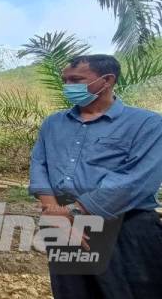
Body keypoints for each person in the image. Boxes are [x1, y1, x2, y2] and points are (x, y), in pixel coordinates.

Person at [29, 54, 162, 299]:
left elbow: (137, 179)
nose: (68, 86)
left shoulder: (148, 124)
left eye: (76, 80)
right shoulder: (53, 124)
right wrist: (55, 213)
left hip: (124, 228)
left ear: (107, 80)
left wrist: (74, 213)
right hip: (61, 225)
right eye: (65, 80)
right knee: (71, 291)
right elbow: (39, 166)